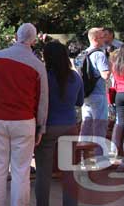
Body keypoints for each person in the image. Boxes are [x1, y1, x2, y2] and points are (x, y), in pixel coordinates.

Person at [0, 23, 48, 206]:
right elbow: (42, 100)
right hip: (25, 121)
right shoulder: (37, 65)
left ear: (16, 36)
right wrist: (41, 126)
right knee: (21, 170)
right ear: (34, 40)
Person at [34, 41, 84, 206]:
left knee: (43, 172)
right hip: (69, 125)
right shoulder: (75, 77)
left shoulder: (44, 77)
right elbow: (80, 101)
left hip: (47, 126)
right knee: (69, 171)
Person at [79, 28, 111, 153]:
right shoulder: (99, 54)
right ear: (95, 38)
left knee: (86, 125)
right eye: (103, 37)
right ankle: (99, 155)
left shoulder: (83, 53)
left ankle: (82, 155)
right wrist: (111, 66)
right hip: (98, 93)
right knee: (99, 125)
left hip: (85, 94)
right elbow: (105, 75)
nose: (105, 39)